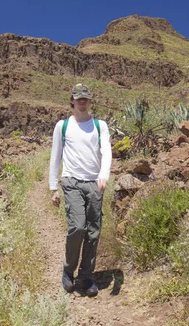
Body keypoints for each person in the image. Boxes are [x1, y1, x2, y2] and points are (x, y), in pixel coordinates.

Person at [49, 83, 112, 297]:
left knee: (93, 231)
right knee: (78, 226)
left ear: (89, 100)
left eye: (85, 98)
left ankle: (86, 275)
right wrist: (53, 187)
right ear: (72, 100)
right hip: (72, 181)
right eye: (78, 98)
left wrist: (103, 175)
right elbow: (55, 156)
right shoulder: (63, 126)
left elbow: (107, 151)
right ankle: (68, 271)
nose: (82, 101)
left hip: (94, 183)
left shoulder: (99, 125)